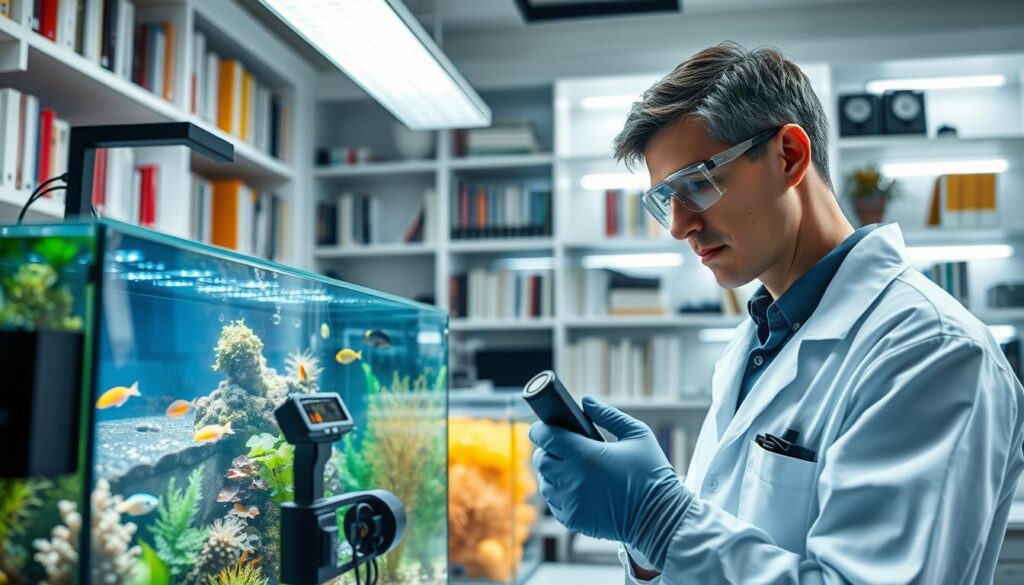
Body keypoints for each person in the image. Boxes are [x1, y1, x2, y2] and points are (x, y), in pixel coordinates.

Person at [529, 42, 1024, 584]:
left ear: (788, 156)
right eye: (665, 199)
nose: (678, 226)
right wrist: (648, 551)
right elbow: (723, 544)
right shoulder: (759, 340)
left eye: (696, 183)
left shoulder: (932, 349)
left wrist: (657, 520)